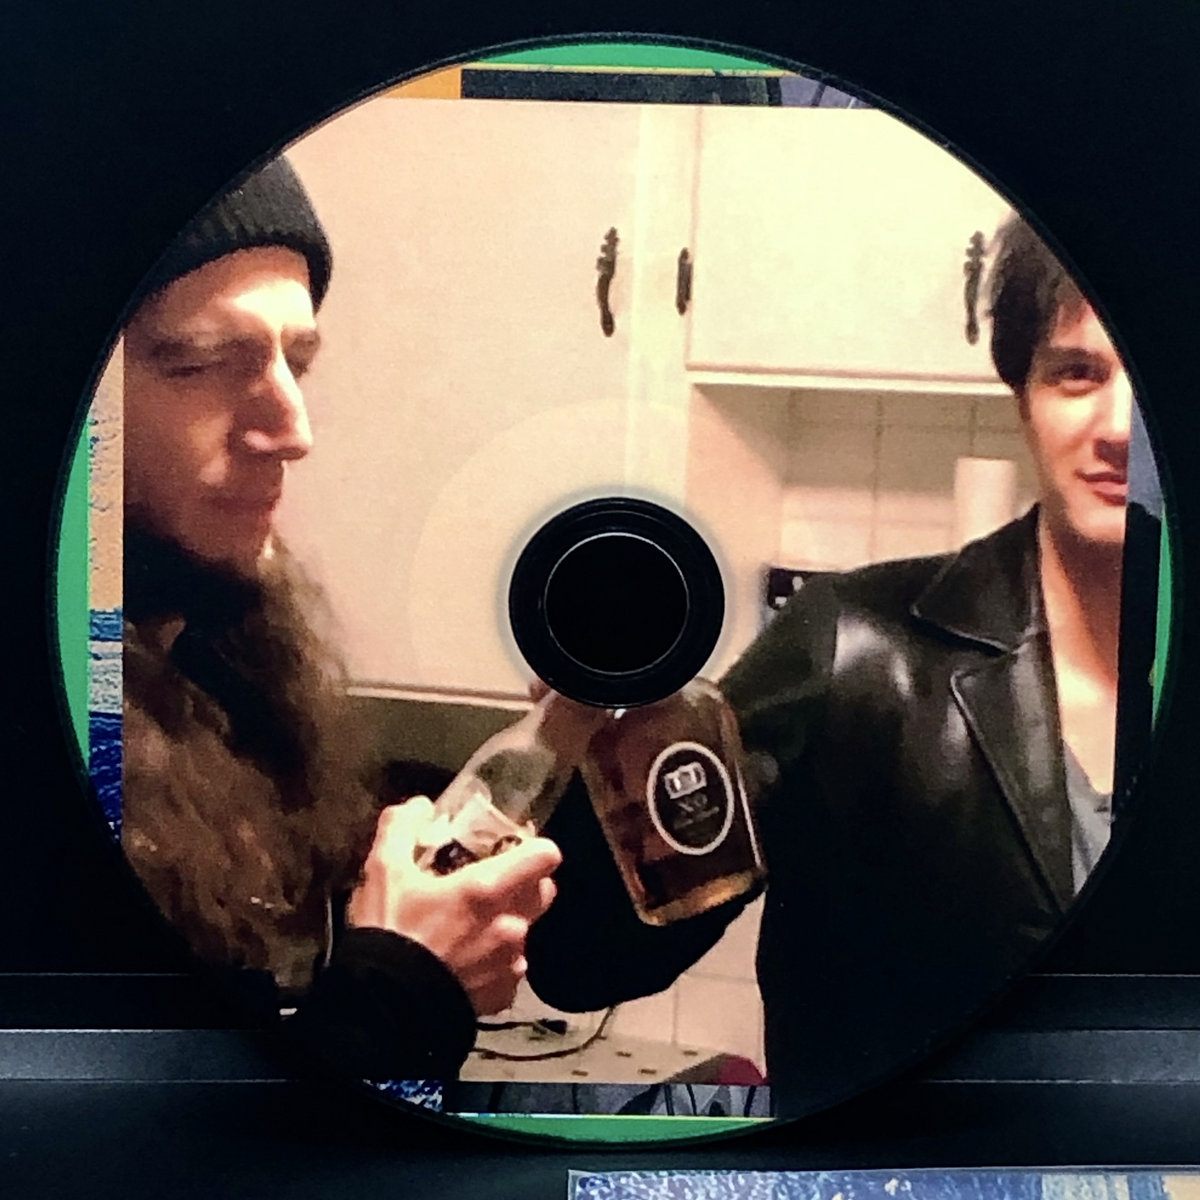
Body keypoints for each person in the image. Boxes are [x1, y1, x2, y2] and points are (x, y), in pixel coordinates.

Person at [525, 213, 1157, 1118]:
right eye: (1077, 374)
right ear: (1022, 394)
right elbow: (583, 961)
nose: (1121, 427)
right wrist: (597, 745)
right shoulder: (850, 649)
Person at [117, 156, 562, 1082]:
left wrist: (575, 732)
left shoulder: (216, 663)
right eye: (203, 362)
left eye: (299, 362)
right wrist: (401, 991)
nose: (293, 429)